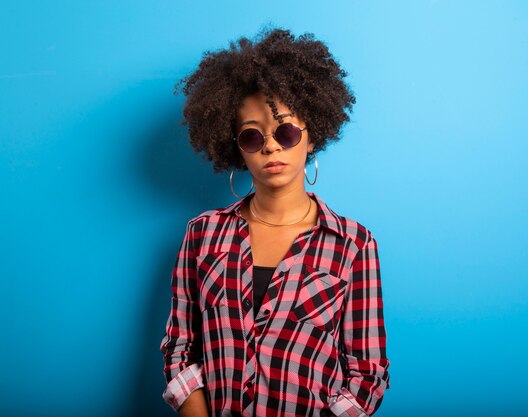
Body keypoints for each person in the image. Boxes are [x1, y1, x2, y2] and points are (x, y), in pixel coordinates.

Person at [160, 25, 390, 417]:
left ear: (311, 135)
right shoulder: (203, 235)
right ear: (236, 150)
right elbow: (180, 350)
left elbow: (367, 375)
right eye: (252, 137)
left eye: (284, 131)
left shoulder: (353, 244)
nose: (269, 145)